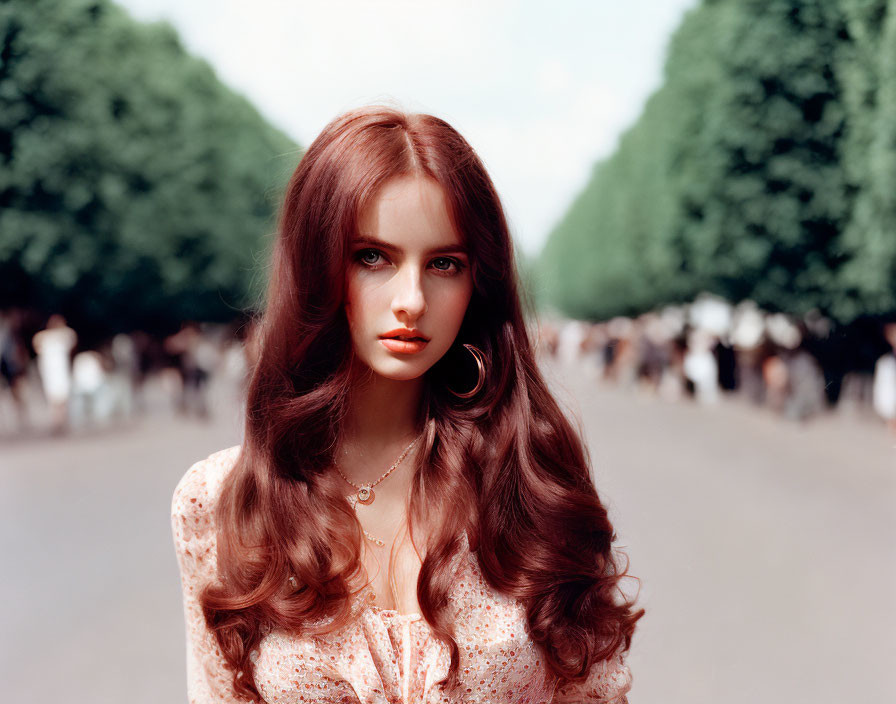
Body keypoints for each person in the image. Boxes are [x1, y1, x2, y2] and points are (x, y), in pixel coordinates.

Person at [172, 107, 642, 703]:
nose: (412, 300)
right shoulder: (219, 501)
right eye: (373, 257)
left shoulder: (531, 479)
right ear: (316, 267)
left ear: (479, 285)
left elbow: (595, 693)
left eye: (445, 264)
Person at [32, 314, 77, 435]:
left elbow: (71, 336)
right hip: (50, 372)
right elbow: (37, 341)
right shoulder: (46, 338)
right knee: (53, 398)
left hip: (61, 371)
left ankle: (61, 421)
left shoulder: (64, 336)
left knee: (62, 397)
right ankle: (57, 423)